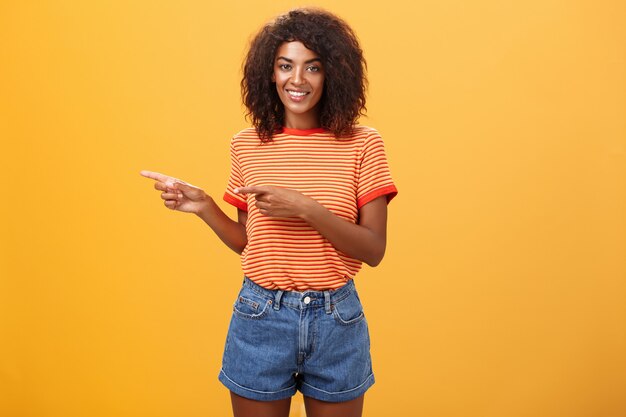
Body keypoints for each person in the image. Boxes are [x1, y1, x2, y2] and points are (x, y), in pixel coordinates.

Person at [140, 7, 398, 417]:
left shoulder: (363, 144)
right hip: (260, 315)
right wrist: (204, 205)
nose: (297, 80)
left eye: (312, 67)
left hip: (337, 320)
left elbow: (374, 249)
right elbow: (247, 241)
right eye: (285, 66)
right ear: (270, 73)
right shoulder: (247, 144)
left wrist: (306, 208)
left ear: (332, 73)